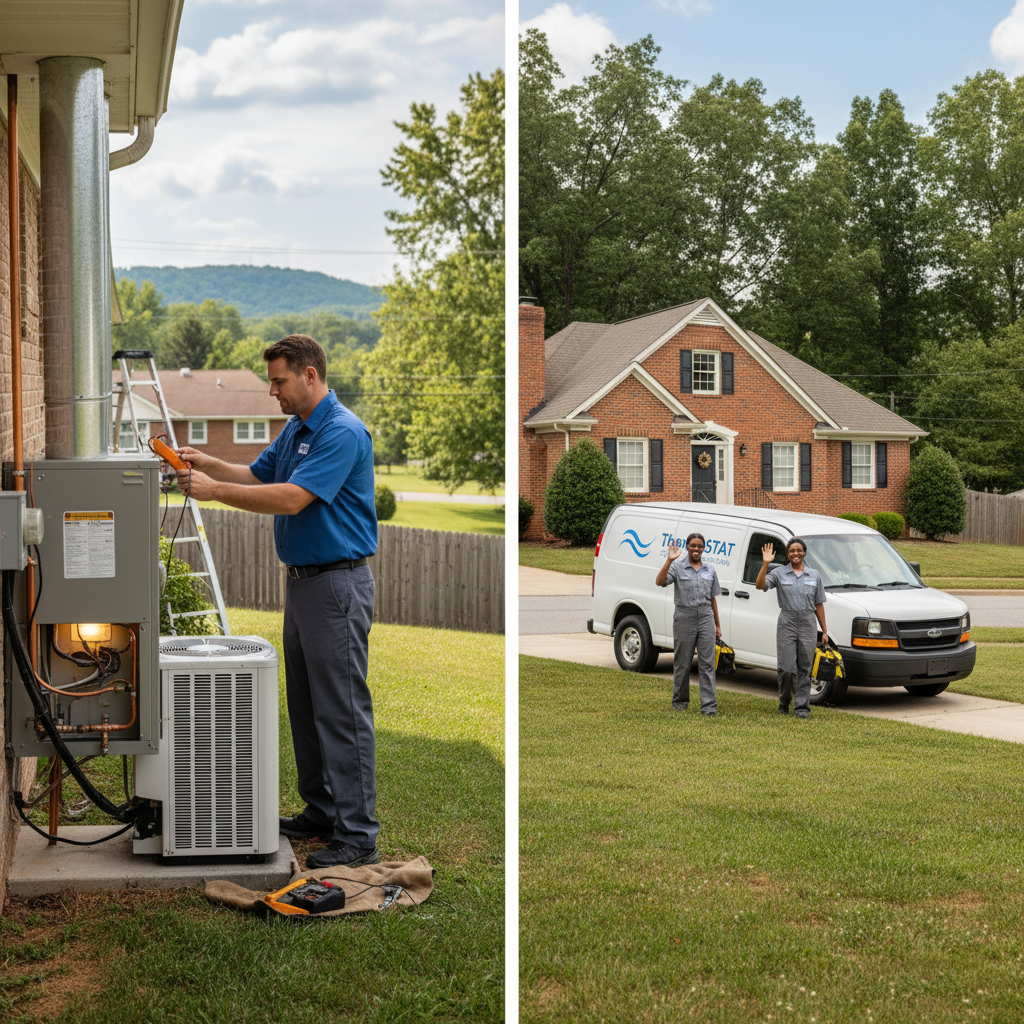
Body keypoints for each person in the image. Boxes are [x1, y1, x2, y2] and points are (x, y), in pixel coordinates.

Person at [174, 334, 379, 869]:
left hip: (337, 585)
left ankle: (357, 835)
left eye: (279, 380)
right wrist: (206, 463)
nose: (272, 391)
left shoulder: (341, 432)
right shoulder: (296, 430)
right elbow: (258, 475)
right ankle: (322, 811)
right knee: (307, 707)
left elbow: (291, 498)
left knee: (341, 711)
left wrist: (213, 493)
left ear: (310, 375)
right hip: (306, 584)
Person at [755, 537, 828, 719]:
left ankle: (802, 707)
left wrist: (824, 630)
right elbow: (760, 585)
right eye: (792, 551)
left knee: (805, 666)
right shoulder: (779, 573)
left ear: (804, 553)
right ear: (788, 554)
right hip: (787, 621)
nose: (795, 553)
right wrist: (765, 564)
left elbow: (819, 604)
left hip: (808, 621)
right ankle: (784, 700)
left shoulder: (814, 575)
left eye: (799, 550)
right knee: (786, 667)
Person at [655, 532, 722, 715]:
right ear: (687, 546)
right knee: (682, 662)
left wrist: (717, 625)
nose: (696, 549)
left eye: (700, 546)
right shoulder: (677, 566)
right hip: (684, 616)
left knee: (707, 663)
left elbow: (713, 598)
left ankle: (709, 707)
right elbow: (660, 582)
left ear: (704, 548)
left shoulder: (710, 569)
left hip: (706, 617)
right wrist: (669, 560)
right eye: (693, 545)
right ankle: (680, 702)